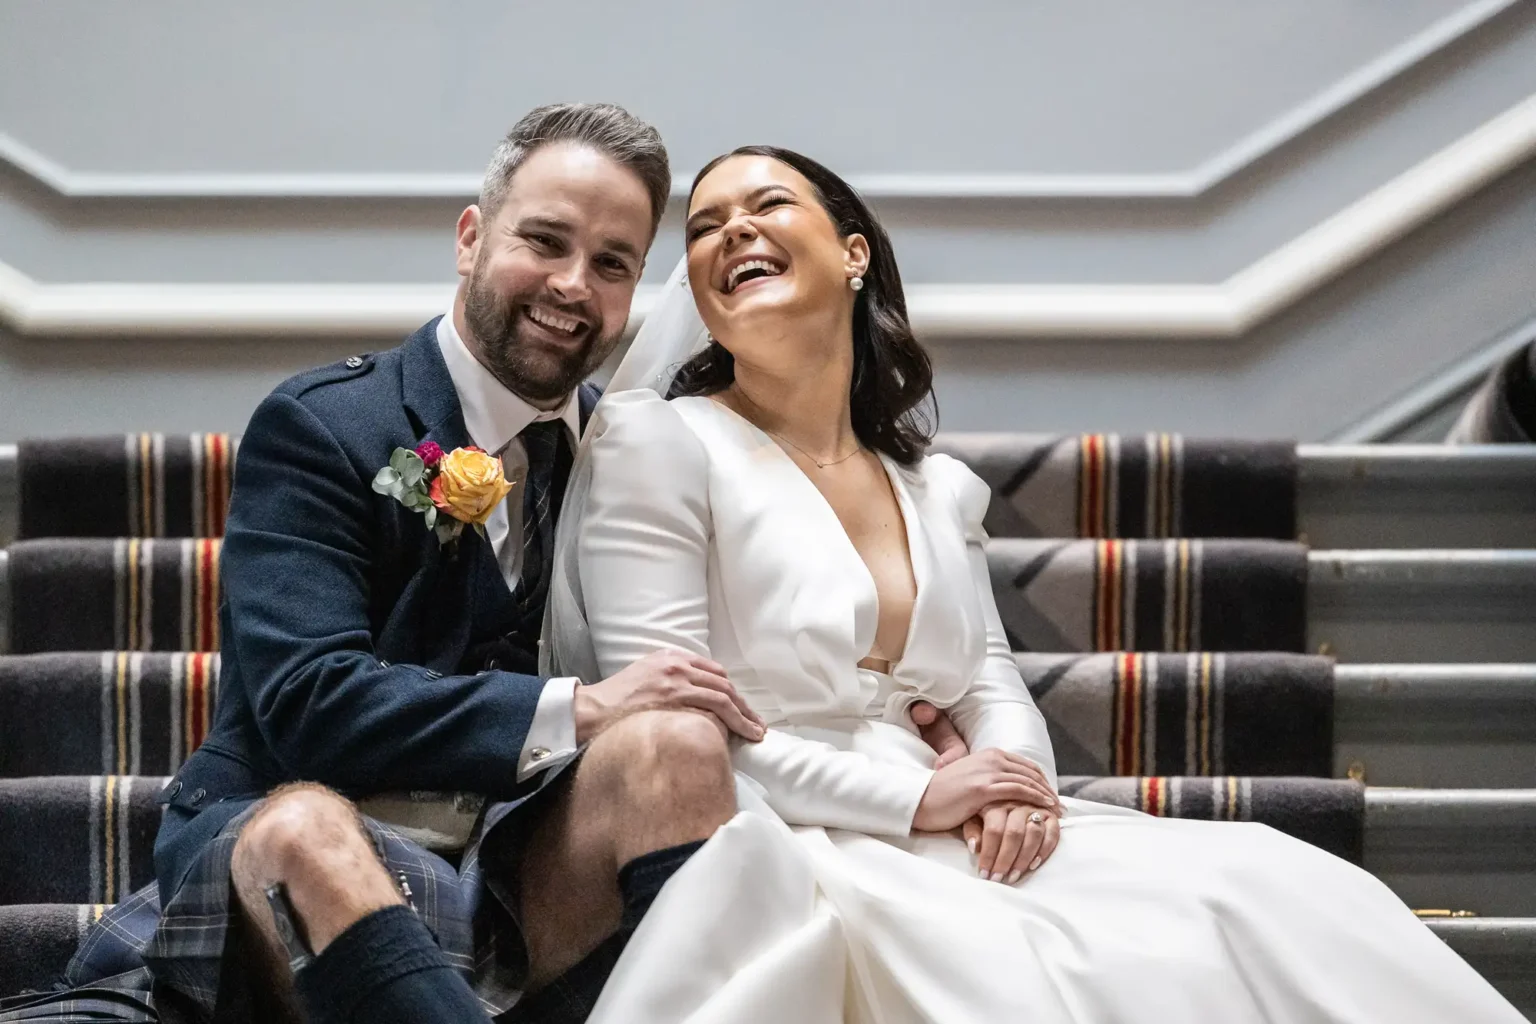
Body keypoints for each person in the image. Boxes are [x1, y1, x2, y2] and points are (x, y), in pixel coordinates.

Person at [537, 146, 1526, 1021]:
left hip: (955, 811)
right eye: (705, 225)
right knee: (1016, 972)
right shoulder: (660, 441)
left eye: (766, 203)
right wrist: (920, 798)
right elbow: (670, 714)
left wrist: (1019, 792)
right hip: (780, 822)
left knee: (1280, 889)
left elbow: (990, 679)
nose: (730, 230)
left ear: (853, 252)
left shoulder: (934, 488)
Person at [1, 104, 782, 1024]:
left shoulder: (635, 452)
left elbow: (733, 655)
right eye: (546, 240)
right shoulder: (323, 425)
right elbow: (308, 700)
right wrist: (579, 708)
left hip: (518, 861)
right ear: (470, 238)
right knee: (305, 832)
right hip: (302, 850)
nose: (574, 285)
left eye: (612, 264)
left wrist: (912, 698)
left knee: (679, 747)